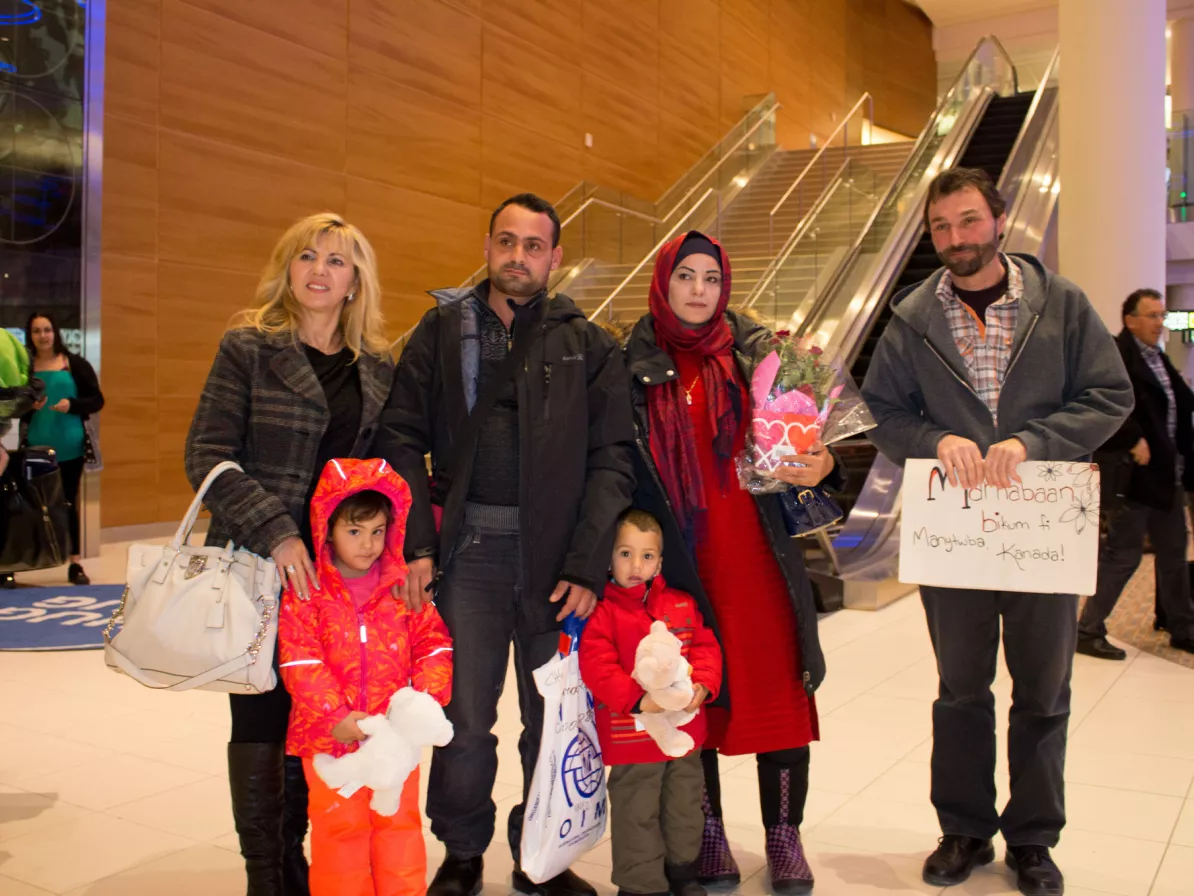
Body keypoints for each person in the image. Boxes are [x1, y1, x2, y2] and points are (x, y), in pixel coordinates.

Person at [860, 167, 1133, 896]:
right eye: (942, 227)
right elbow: (881, 412)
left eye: (969, 221)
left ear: (999, 220)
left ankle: (1034, 839)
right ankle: (965, 830)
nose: (956, 238)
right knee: (960, 689)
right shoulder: (912, 315)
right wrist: (933, 439)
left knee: (1045, 690)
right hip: (956, 533)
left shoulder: (1062, 304)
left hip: (1042, 527)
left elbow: (1111, 394)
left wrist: (1036, 442)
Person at [377, 193, 636, 896]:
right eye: (505, 241)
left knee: (551, 717)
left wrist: (587, 562)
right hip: (468, 555)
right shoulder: (441, 331)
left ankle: (541, 851)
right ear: (488, 247)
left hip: (556, 563)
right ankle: (461, 852)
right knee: (464, 717)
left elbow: (612, 458)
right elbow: (400, 436)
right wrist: (419, 543)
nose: (517, 256)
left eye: (533, 245)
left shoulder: (588, 343)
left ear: (554, 258)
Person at [185, 212, 394, 896]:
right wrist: (276, 528)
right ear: (287, 266)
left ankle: (298, 860)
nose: (319, 271)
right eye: (307, 256)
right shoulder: (249, 345)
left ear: (355, 279)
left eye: (336, 261)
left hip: (339, 578)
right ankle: (266, 876)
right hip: (257, 562)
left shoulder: (378, 365)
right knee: (261, 712)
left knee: (316, 716)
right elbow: (206, 455)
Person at [624, 230, 836, 895]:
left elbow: (801, 445)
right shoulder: (631, 363)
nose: (697, 290)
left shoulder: (758, 356)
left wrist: (819, 464)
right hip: (683, 560)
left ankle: (783, 833)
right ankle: (706, 828)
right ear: (663, 281)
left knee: (776, 690)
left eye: (710, 278)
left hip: (758, 553)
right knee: (697, 694)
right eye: (685, 276)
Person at [280, 457, 453, 896]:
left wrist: (421, 706)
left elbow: (434, 645)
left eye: (378, 531)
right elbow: (299, 660)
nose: (368, 544)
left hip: (394, 739)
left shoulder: (402, 589)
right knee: (340, 835)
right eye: (354, 532)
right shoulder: (308, 592)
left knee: (399, 830)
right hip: (329, 740)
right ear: (327, 530)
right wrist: (333, 714)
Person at [578, 509, 722, 896]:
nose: (636, 565)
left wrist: (704, 685)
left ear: (660, 562)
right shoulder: (602, 611)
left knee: (685, 805)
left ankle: (682, 870)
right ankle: (641, 884)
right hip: (632, 738)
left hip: (684, 733)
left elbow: (706, 647)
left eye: (646, 556)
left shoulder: (681, 604)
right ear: (608, 557)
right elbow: (597, 667)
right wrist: (638, 700)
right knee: (636, 811)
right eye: (625, 554)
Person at [1080, 289, 1194, 658]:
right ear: (1130, 320)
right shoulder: (1117, 355)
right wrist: (1133, 437)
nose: (1160, 323)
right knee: (1124, 554)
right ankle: (1087, 628)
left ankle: (1182, 626)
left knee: (1175, 550)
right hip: (1136, 475)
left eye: (1162, 315)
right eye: (1152, 316)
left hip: (1166, 472)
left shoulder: (1157, 356)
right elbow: (1098, 402)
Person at [22, 312, 104, 586]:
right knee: (32, 505)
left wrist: (72, 404)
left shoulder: (74, 364)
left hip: (70, 447)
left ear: (55, 332)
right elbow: (11, 406)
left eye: (47, 329)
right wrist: (26, 406)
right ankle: (27, 559)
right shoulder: (25, 367)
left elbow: (97, 400)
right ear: (30, 335)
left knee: (67, 503)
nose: (43, 335)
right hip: (35, 448)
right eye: (36, 331)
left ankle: (75, 563)